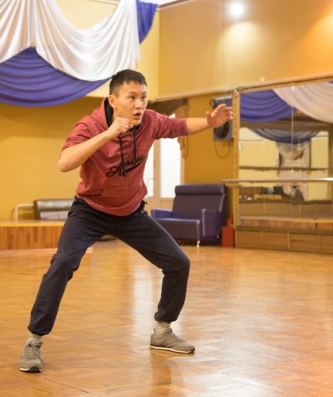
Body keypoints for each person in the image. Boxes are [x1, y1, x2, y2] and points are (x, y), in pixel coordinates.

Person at [19, 69, 233, 373]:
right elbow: (64, 162)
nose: (139, 104)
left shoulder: (150, 121)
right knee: (63, 262)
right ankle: (33, 341)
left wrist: (210, 123)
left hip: (131, 213)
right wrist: (107, 134)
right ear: (113, 100)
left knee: (178, 263)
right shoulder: (90, 125)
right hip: (90, 211)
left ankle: (162, 331)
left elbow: (180, 125)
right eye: (131, 97)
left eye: (143, 97)